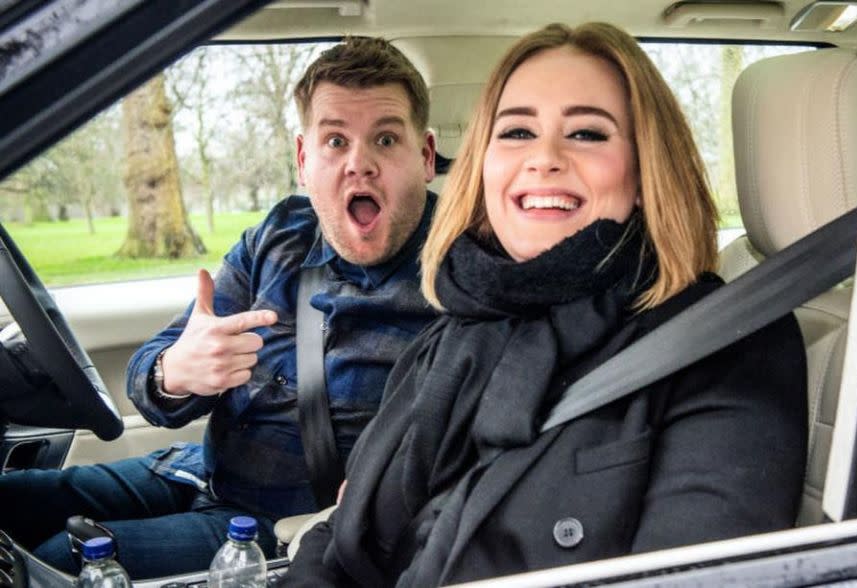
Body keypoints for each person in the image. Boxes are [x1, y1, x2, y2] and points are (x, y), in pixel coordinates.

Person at [283, 22, 808, 587]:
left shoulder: (725, 343)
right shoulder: (452, 333)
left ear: (643, 169)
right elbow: (342, 545)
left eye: (586, 133)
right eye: (515, 133)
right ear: (484, 166)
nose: (544, 158)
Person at [0, 37, 438, 579]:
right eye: (334, 141)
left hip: (278, 524)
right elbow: (152, 369)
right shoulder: (280, 235)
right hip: (195, 469)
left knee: (51, 562)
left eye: (386, 139)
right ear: (304, 160)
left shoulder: (459, 278)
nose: (359, 165)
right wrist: (176, 374)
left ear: (424, 157)